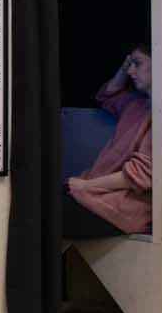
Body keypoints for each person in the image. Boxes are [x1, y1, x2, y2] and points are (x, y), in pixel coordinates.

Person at [64, 43, 153, 239]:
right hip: (95, 197)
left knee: (40, 216)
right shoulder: (137, 103)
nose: (130, 71)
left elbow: (139, 176)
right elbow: (109, 94)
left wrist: (85, 186)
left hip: (119, 209)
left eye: (137, 64)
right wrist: (125, 66)